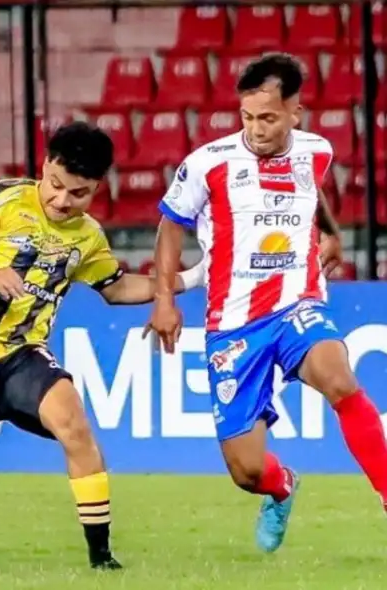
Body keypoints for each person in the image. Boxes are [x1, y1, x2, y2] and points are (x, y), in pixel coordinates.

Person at [0, 121, 203, 569]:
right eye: (55, 185)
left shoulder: (87, 236)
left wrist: (190, 279)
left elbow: (116, 288)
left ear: (96, 188)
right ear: (44, 166)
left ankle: (101, 558)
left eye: (78, 193)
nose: (62, 200)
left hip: (21, 357)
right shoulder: (1, 199)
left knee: (74, 426)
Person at [147, 53, 387, 554]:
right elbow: (171, 227)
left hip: (297, 303)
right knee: (247, 470)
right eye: (247, 117)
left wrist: (332, 234)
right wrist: (164, 300)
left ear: (296, 112)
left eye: (268, 118)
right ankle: (282, 488)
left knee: (340, 380)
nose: (256, 129)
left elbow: (312, 191)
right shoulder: (208, 163)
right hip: (233, 325)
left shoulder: (317, 151)